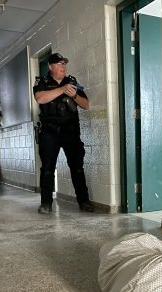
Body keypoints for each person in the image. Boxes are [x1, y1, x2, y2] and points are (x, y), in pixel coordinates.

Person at [33, 53, 94, 214]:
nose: (63, 67)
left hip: (71, 132)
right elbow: (40, 98)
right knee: (47, 169)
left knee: (77, 168)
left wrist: (73, 94)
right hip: (49, 132)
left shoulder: (72, 83)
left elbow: (86, 104)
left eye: (64, 64)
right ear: (51, 67)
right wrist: (62, 90)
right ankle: (46, 203)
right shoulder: (42, 82)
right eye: (59, 64)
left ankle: (84, 202)